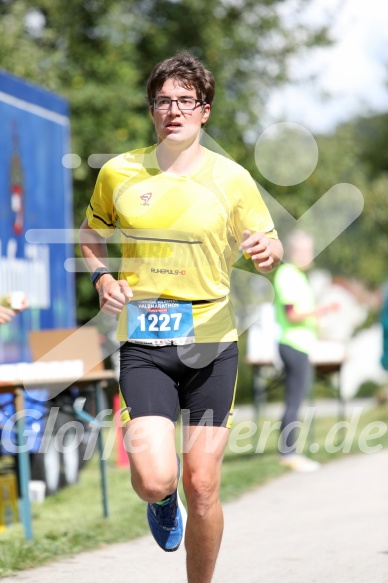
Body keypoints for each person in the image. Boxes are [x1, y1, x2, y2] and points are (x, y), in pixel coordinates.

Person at [79, 51, 283, 583]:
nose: (174, 110)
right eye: (163, 101)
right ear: (152, 110)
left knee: (204, 484)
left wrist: (267, 251)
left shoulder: (233, 179)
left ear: (204, 110)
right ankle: (159, 498)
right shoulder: (119, 172)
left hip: (212, 343)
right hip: (145, 343)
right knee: (154, 478)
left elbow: (270, 241)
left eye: (185, 101)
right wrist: (102, 277)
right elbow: (90, 234)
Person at [273, 230, 339, 472]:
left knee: (295, 400)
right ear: (292, 252)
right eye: (302, 250)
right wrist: (321, 310)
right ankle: (288, 453)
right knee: (294, 401)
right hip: (293, 344)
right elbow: (292, 315)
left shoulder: (298, 276)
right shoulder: (287, 274)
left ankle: (288, 451)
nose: (307, 254)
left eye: (309, 249)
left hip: (300, 344)